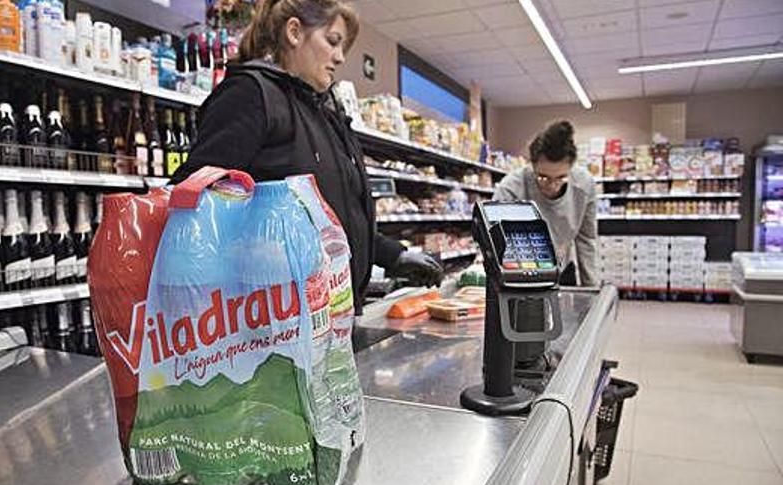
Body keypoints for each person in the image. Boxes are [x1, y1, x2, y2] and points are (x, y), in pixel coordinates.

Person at [170, 0, 443, 313]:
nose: (340, 57)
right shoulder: (251, 95)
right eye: (333, 41)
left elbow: (338, 214)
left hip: (333, 316)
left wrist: (393, 255)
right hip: (274, 325)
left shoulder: (324, 112)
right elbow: (192, 199)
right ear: (295, 32)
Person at [493, 121, 598, 286]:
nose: (552, 186)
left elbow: (586, 241)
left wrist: (592, 292)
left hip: (563, 270)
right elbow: (496, 244)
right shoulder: (510, 189)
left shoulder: (584, 186)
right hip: (521, 273)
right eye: (543, 177)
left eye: (561, 178)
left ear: (571, 168)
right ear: (532, 165)